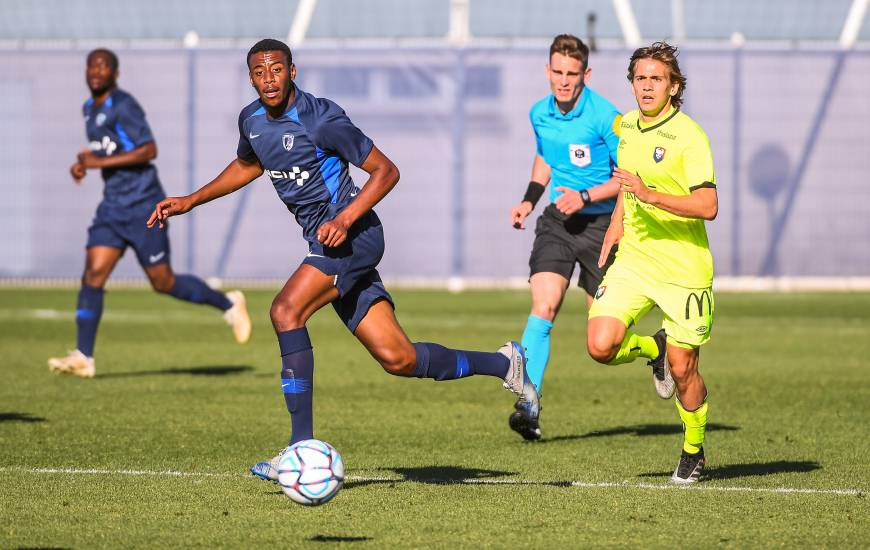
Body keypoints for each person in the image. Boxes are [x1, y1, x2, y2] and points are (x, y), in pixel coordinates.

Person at [147, 38, 539, 481]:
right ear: (251, 77)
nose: (268, 79)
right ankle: (505, 364)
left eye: (277, 69)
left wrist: (347, 217)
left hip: (354, 237)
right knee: (400, 359)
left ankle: (299, 450)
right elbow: (248, 164)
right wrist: (190, 200)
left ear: (293, 71)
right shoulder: (252, 121)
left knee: (285, 310)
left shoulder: (322, 118)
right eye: (259, 72)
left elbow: (386, 170)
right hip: (329, 243)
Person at [48, 49, 251, 379]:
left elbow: (148, 149)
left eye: (104, 67)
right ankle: (84, 356)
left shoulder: (124, 105)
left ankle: (228, 304)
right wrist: (85, 161)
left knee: (162, 281)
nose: (96, 71)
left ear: (115, 74)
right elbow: (109, 149)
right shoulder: (89, 109)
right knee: (93, 274)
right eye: (91, 66)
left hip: (144, 205)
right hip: (112, 208)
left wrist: (97, 162)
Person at [586, 42, 718, 483]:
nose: (646, 86)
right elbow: (627, 185)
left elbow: (708, 204)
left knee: (685, 372)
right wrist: (616, 224)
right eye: (640, 78)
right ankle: (652, 347)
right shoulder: (625, 127)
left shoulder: (690, 136)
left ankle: (694, 449)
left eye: (656, 78)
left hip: (683, 268)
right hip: (636, 260)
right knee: (600, 345)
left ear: (673, 86)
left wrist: (649, 194)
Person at [508, 34, 621, 440]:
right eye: (557, 71)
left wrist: (587, 195)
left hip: (601, 227)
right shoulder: (539, 113)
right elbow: (545, 156)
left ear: (586, 74)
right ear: (547, 70)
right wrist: (528, 200)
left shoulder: (607, 117)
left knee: (604, 342)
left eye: (572, 73)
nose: (564, 80)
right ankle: (528, 403)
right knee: (544, 304)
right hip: (557, 222)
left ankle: (656, 352)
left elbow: (630, 177)